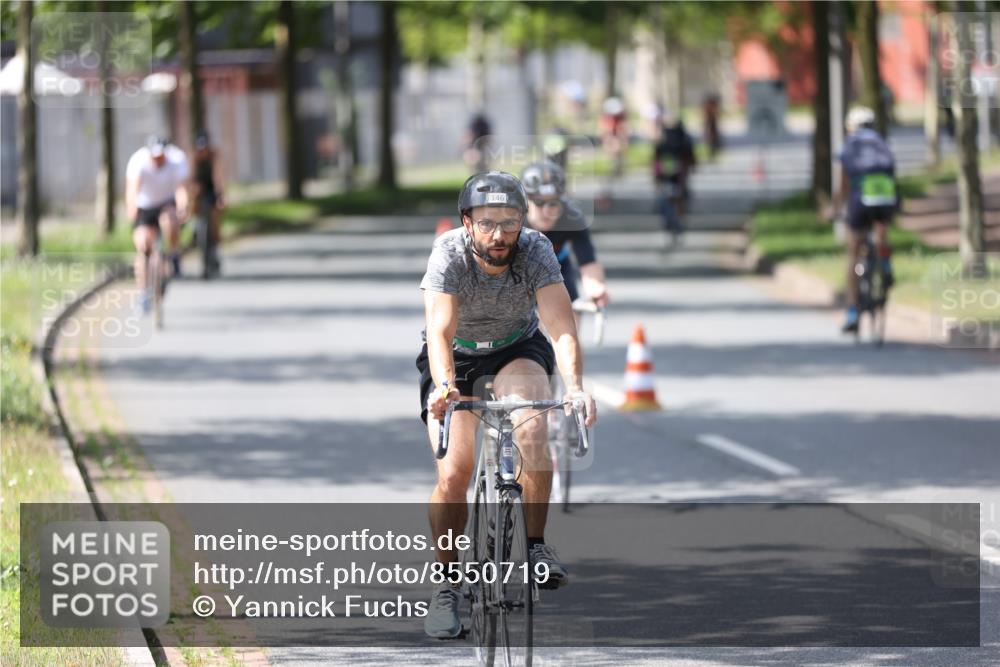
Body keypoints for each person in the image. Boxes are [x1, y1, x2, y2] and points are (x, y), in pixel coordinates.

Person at [418, 171, 598, 638]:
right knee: (453, 473)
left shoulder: (535, 249)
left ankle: (536, 544)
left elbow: (559, 323)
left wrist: (575, 385)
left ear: (522, 221)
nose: (499, 235)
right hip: (456, 355)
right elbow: (438, 329)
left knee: (534, 428)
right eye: (487, 223)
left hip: (517, 347)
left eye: (510, 221)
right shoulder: (449, 253)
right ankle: (445, 585)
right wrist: (444, 387)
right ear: (467, 221)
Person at [832, 106, 897, 333]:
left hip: (860, 197)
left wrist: (836, 208)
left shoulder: (849, 146)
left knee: (853, 252)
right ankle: (885, 262)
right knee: (881, 231)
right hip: (885, 194)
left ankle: (852, 311)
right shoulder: (881, 142)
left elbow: (843, 185)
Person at [520, 160, 610, 311]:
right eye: (540, 203)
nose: (547, 211)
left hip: (558, 266)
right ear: (526, 202)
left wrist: (596, 288)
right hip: (519, 270)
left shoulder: (572, 218)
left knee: (571, 310)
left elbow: (588, 262)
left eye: (554, 203)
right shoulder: (512, 220)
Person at [125, 136, 189, 311]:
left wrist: (183, 207)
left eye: (161, 156)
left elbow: (181, 189)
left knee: (169, 220)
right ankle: (143, 292)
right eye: (154, 156)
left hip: (167, 203)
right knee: (143, 245)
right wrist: (132, 209)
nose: (158, 160)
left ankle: (174, 253)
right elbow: (132, 190)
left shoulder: (177, 159)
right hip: (145, 206)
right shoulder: (138, 162)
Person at [652, 110, 697, 245]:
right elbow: (656, 162)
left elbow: (655, 162)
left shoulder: (679, 143)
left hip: (676, 178)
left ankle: (675, 222)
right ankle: (674, 222)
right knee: (673, 200)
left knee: (675, 199)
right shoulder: (669, 143)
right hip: (672, 178)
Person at [192, 131, 225, 275]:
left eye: (204, 148)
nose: (202, 151)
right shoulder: (193, 159)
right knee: (198, 221)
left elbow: (218, 177)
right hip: (199, 192)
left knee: (214, 222)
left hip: (212, 192)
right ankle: (199, 243)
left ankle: (215, 249)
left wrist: (221, 196)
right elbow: (190, 179)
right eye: (200, 148)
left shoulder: (214, 157)